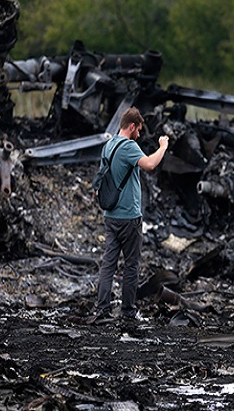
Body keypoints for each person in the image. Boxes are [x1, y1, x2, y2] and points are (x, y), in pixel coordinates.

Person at [93, 106, 169, 324]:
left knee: (108, 263)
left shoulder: (108, 146)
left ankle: (102, 311)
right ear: (132, 126)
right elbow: (150, 164)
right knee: (131, 265)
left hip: (110, 215)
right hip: (129, 217)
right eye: (139, 130)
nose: (140, 134)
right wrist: (162, 146)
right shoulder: (128, 146)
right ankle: (127, 311)